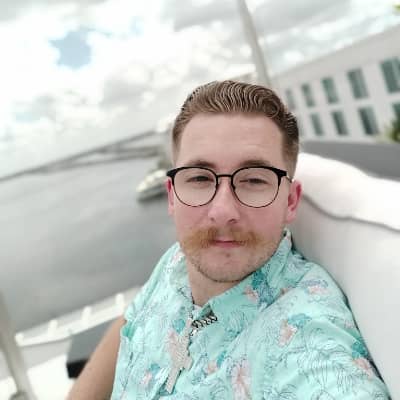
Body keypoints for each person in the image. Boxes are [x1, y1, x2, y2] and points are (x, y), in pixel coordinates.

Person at [67, 81, 390, 399]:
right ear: (172, 196)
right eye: (199, 178)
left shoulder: (306, 350)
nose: (222, 212)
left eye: (253, 180)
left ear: (290, 201)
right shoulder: (178, 259)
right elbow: (132, 320)